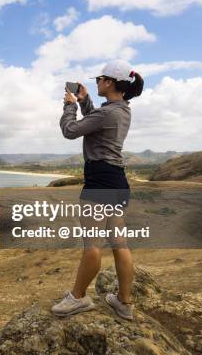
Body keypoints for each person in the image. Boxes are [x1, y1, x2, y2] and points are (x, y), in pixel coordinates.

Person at [51, 59, 144, 321]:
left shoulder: (107, 113)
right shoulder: (122, 110)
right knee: (119, 244)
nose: (97, 82)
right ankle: (124, 303)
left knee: (92, 245)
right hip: (117, 181)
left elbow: (70, 131)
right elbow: (96, 122)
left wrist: (69, 106)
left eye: (100, 79)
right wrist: (84, 102)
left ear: (110, 82)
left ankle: (78, 298)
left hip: (99, 182)